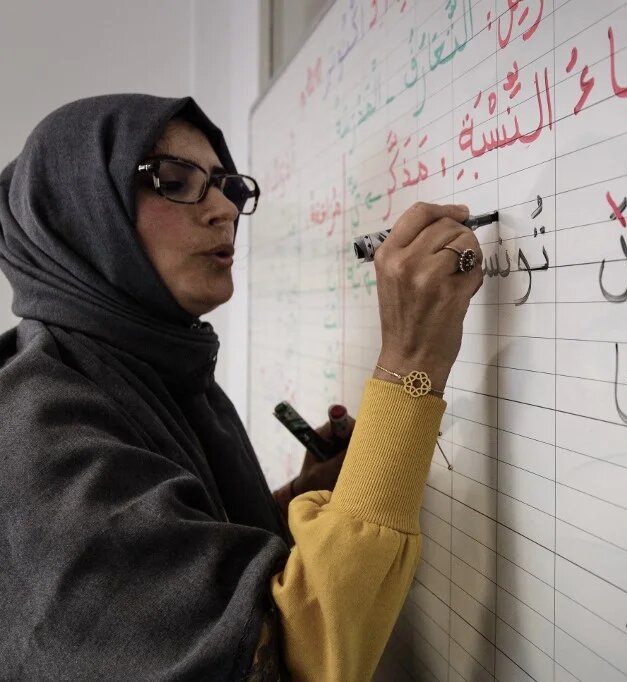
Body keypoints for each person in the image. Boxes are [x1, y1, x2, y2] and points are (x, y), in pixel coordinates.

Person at [0, 94, 483, 680]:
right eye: (175, 181)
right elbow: (276, 660)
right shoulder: (35, 435)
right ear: (78, 213)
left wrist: (294, 498)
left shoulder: (150, 372)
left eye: (226, 185)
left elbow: (167, 567)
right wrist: (410, 360)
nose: (224, 209)